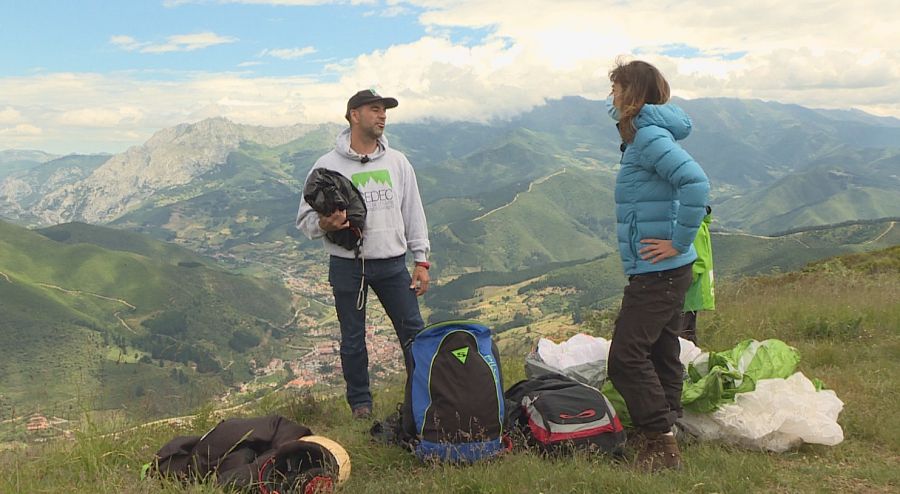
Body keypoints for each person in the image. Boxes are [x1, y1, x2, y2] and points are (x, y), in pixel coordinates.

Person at [296, 89, 431, 420]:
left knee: (414, 333)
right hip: (347, 265)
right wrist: (326, 224)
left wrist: (422, 259)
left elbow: (413, 211)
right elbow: (304, 221)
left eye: (384, 110)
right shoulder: (327, 165)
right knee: (353, 340)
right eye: (375, 109)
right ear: (354, 115)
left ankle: (422, 397)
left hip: (392, 263)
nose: (382, 115)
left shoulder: (398, 162)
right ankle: (360, 404)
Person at [603, 60, 710, 471]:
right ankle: (669, 429)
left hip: (659, 271)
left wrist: (678, 241)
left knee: (626, 359)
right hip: (665, 270)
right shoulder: (645, 135)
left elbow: (696, 182)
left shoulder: (648, 136)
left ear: (632, 93)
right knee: (663, 350)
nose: (611, 97)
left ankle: (660, 445)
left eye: (616, 89)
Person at [680, 206, 715, 345]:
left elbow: (699, 261)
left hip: (690, 292)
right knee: (687, 332)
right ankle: (690, 361)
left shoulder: (694, 229)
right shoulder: (697, 224)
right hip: (692, 292)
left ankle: (685, 363)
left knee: (681, 335)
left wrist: (681, 281)